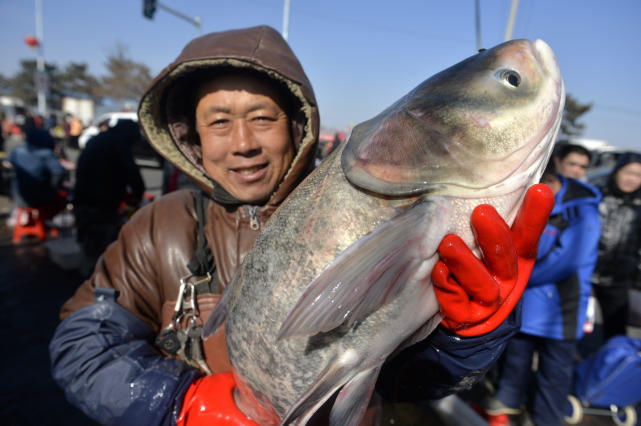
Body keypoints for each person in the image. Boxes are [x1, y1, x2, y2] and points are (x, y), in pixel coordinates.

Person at [49, 26, 552, 425]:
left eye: (262, 118)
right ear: (193, 139)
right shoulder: (160, 226)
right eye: (219, 122)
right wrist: (182, 404)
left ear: (298, 125)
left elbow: (417, 383)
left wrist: (469, 337)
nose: (242, 142)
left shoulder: (374, 201)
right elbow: (81, 347)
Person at [484, 159, 601, 426]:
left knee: (554, 372)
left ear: (551, 179)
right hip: (525, 302)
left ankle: (546, 418)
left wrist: (517, 278)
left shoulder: (582, 212)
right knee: (515, 363)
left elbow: (567, 261)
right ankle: (507, 405)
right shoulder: (526, 204)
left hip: (560, 309)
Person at [72, 118, 145, 276]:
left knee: (88, 240)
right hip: (101, 204)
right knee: (102, 243)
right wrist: (138, 195)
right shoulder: (118, 143)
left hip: (82, 198)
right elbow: (132, 174)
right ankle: (99, 279)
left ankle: (87, 274)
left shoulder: (98, 139)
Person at [591, 152, 641, 341]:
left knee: (616, 332)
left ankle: (612, 366)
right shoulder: (596, 196)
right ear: (616, 172)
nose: (632, 179)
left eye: (638, 175)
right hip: (585, 274)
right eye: (628, 172)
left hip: (619, 279)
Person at [8, 114, 67, 219]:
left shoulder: (18, 150)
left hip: (17, 196)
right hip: (39, 197)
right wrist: (53, 186)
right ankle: (46, 220)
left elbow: (10, 164)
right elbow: (59, 172)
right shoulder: (46, 153)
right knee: (65, 195)